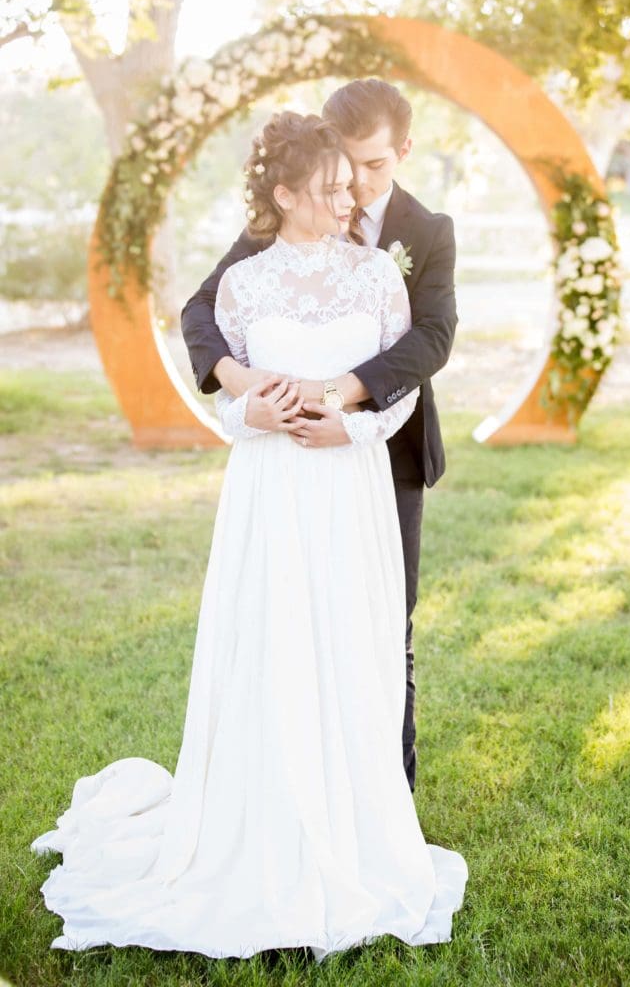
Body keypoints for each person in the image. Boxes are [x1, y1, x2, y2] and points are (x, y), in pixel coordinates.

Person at [30, 111, 468, 963]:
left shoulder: (381, 273)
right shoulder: (242, 284)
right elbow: (222, 388)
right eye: (333, 188)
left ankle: (360, 822)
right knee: (270, 645)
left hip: (348, 485)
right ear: (283, 195)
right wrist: (246, 411)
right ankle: (262, 823)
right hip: (269, 493)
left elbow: (410, 376)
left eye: (353, 183)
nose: (349, 199)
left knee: (352, 642)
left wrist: (357, 427)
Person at [181, 78, 458, 794]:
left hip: (380, 454)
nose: (355, 191)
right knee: (279, 615)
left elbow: (429, 342)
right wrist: (251, 391)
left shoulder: (424, 233)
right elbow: (202, 311)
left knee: (380, 621)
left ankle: (384, 794)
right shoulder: (291, 209)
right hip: (279, 458)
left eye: (372, 168)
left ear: (400, 152)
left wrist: (336, 399)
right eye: (345, 169)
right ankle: (276, 781)